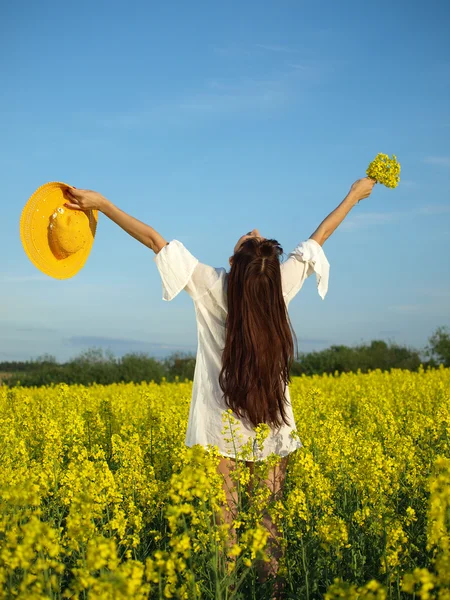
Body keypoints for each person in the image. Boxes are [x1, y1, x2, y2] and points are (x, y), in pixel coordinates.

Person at [63, 176, 376, 590]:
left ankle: (226, 594)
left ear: (234, 264)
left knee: (224, 527)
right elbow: (320, 236)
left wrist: (101, 203)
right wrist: (354, 195)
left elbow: (155, 240)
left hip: (218, 427)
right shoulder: (278, 287)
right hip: (272, 425)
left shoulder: (213, 286)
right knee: (268, 524)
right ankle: (274, 595)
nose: (253, 232)